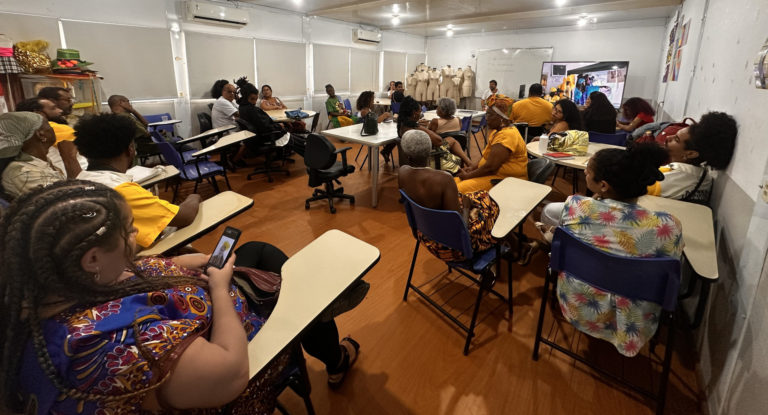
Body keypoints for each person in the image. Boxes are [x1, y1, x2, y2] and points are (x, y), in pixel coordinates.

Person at [0, 181, 363, 414]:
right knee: (302, 302)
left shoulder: (49, 292)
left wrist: (172, 263)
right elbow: (230, 374)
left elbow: (129, 275)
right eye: (129, 232)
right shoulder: (119, 350)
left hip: (196, 297)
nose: (137, 236)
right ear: (91, 258)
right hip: (231, 349)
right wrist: (220, 290)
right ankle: (332, 347)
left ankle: (314, 310)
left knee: (257, 250)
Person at [549, 143, 683, 357]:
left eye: (588, 171)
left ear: (603, 186)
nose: (584, 172)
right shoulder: (667, 226)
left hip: (576, 304)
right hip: (633, 323)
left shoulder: (576, 207)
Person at [73, 113, 201, 248]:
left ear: (82, 152)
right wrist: (194, 196)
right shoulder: (120, 191)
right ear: (130, 150)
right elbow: (185, 216)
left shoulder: (79, 181)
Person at [398, 129, 500, 262]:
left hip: (425, 236)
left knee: (477, 196)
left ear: (406, 153)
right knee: (491, 204)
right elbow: (460, 227)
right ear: (430, 151)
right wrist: (467, 207)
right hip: (453, 247)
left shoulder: (402, 173)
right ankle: (507, 245)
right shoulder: (443, 179)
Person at [647, 111, 737, 204]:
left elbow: (634, 186)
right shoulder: (704, 177)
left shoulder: (673, 175)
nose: (668, 137)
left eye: (676, 139)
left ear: (691, 154)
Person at [454, 95, 528, 193]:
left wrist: (468, 176)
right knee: (452, 182)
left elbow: (490, 167)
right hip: (494, 175)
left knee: (456, 190)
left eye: (489, 115)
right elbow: (486, 156)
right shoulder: (497, 131)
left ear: (501, 117)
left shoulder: (507, 136)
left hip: (505, 180)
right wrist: (472, 168)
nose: (486, 118)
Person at [0, 112, 66, 198]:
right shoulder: (22, 172)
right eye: (48, 125)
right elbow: (69, 201)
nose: (53, 127)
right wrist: (70, 159)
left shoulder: (38, 160)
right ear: (40, 135)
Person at [396, 96, 471, 170]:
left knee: (450, 139)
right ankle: (468, 163)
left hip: (416, 155)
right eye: (420, 111)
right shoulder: (458, 119)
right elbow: (439, 141)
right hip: (429, 153)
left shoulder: (402, 125)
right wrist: (423, 128)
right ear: (414, 113)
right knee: (452, 140)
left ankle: (467, 163)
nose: (421, 114)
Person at [14, 97, 83, 178]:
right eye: (53, 108)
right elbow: (74, 188)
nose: (60, 110)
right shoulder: (28, 172)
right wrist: (70, 159)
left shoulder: (42, 158)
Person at [107, 94, 158, 160]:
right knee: (173, 144)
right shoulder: (126, 117)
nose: (130, 104)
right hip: (142, 146)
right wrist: (134, 111)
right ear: (121, 103)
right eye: (128, 101)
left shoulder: (111, 117)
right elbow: (147, 133)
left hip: (125, 150)